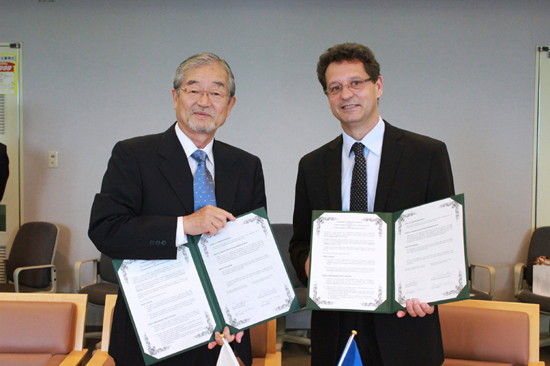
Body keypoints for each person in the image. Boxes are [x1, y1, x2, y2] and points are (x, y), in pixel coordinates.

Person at [89, 52, 266, 366]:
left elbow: (249, 251)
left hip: (224, 335)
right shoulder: (133, 155)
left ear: (230, 105)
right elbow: (106, 230)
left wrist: (242, 319)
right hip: (154, 329)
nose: (203, 100)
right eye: (193, 89)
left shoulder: (246, 166)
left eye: (216, 92)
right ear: (175, 97)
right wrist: (184, 225)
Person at [289, 43, 454, 366]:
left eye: (355, 83)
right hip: (336, 327)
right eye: (335, 88)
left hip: (405, 326)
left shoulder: (427, 155)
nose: (346, 94)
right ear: (328, 97)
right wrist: (308, 264)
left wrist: (431, 289)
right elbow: (299, 242)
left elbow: (442, 239)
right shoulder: (312, 165)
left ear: (378, 86)